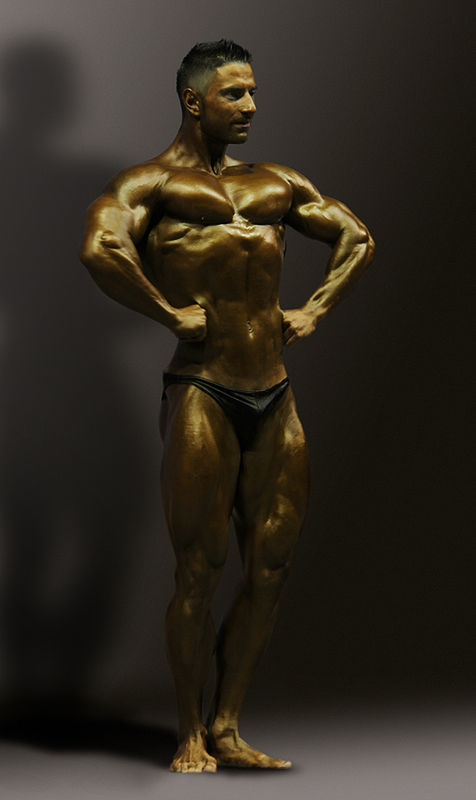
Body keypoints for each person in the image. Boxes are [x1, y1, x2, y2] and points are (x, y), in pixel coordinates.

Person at [80, 39, 375, 773]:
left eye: (253, 92)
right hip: (202, 390)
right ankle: (188, 734)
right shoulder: (149, 183)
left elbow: (356, 236)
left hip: (274, 390)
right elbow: (101, 249)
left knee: (270, 567)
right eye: (235, 94)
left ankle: (228, 725)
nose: (251, 106)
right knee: (200, 569)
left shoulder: (276, 181)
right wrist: (167, 312)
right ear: (194, 101)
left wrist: (316, 309)